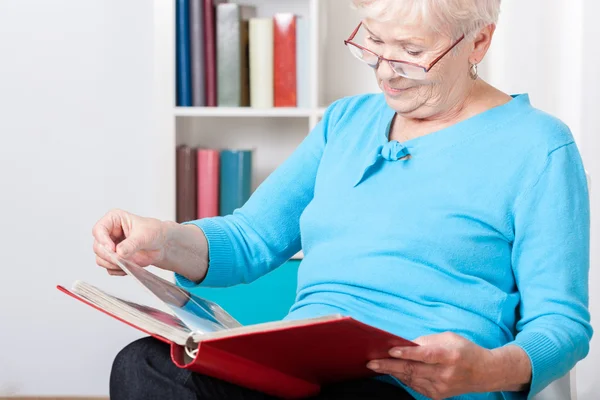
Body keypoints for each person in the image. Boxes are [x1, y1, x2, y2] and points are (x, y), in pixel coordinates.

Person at [93, 0, 593, 399]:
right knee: (145, 366)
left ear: (478, 41)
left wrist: (487, 370)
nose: (385, 73)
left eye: (411, 51)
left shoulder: (538, 146)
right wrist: (162, 242)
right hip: (300, 372)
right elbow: (250, 238)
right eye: (374, 43)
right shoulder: (344, 123)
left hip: (414, 387)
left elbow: (561, 323)